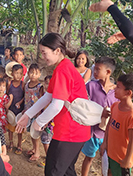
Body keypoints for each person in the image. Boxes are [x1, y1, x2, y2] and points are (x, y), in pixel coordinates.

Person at [16, 33, 91, 176]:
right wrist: (28, 115)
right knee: (67, 171)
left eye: (44, 52)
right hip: (74, 131)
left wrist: (39, 122)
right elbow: (48, 96)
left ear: (57, 51)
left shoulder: (63, 69)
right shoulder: (62, 67)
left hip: (69, 132)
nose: (43, 56)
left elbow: (56, 105)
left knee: (53, 171)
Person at [81, 57, 119, 176]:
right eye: (94, 69)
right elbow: (85, 104)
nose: (95, 72)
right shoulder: (91, 86)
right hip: (92, 131)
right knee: (89, 157)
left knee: (106, 162)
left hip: (109, 134)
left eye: (98, 69)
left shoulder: (116, 91)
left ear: (108, 72)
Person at [100, 73, 133, 176]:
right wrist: (105, 143)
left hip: (122, 160)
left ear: (128, 93)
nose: (114, 89)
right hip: (111, 154)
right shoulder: (115, 106)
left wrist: (127, 160)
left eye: (118, 87)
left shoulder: (132, 114)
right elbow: (109, 125)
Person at [24, 63, 44, 162]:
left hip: (36, 113)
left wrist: (39, 113)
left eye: (36, 73)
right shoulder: (27, 84)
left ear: (39, 74)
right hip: (28, 112)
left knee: (35, 134)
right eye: (31, 73)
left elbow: (41, 100)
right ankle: (34, 148)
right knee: (31, 133)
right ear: (28, 73)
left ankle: (37, 152)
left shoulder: (40, 87)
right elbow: (26, 98)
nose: (33, 75)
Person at [7, 64, 24, 155]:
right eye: (16, 73)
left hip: (20, 111)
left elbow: (25, 96)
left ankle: (19, 145)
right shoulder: (9, 84)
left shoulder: (23, 84)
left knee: (19, 129)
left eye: (20, 73)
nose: (18, 75)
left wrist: (20, 103)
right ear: (12, 74)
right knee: (10, 128)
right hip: (11, 110)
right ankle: (10, 143)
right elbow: (6, 95)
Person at [37, 75, 55, 168]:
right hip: (45, 121)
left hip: (48, 122)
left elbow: (50, 112)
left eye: (49, 83)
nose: (47, 85)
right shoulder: (45, 93)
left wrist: (45, 122)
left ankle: (49, 160)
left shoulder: (53, 96)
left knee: (46, 141)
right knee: (46, 140)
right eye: (46, 83)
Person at [0, 78, 12, 157]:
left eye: (4, 86)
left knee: (1, 133)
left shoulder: (5, 97)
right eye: (0, 85)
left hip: (2, 117)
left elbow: (6, 106)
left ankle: (1, 147)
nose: (1, 88)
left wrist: (11, 99)